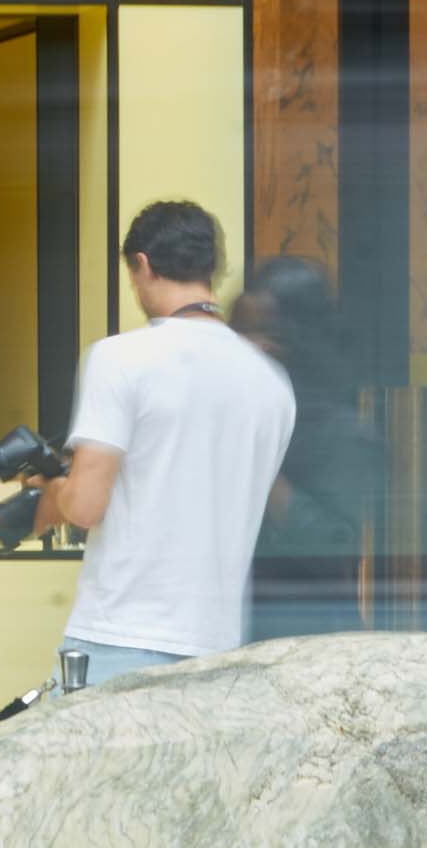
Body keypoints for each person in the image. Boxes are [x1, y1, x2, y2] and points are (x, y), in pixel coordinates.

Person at [38, 197, 297, 679]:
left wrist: (52, 492)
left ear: (143, 265)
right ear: (211, 269)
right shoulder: (272, 382)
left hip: (122, 633)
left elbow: (85, 506)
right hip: (219, 645)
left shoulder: (120, 358)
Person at [233, 254, 378, 640]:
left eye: (263, 333)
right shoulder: (238, 408)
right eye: (240, 333)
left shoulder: (338, 429)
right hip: (230, 626)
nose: (248, 346)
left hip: (306, 633)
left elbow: (331, 544)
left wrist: (263, 472)